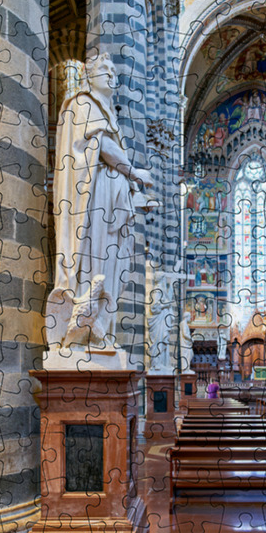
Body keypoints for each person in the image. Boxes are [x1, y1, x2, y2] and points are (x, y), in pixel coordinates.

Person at [45, 52, 154, 356]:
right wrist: (135, 172)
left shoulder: (108, 113)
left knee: (113, 267)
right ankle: (81, 330)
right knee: (93, 264)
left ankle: (101, 328)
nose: (110, 74)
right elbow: (102, 148)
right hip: (93, 202)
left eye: (112, 70)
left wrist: (132, 189)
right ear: (89, 75)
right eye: (103, 68)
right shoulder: (82, 103)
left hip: (113, 203)